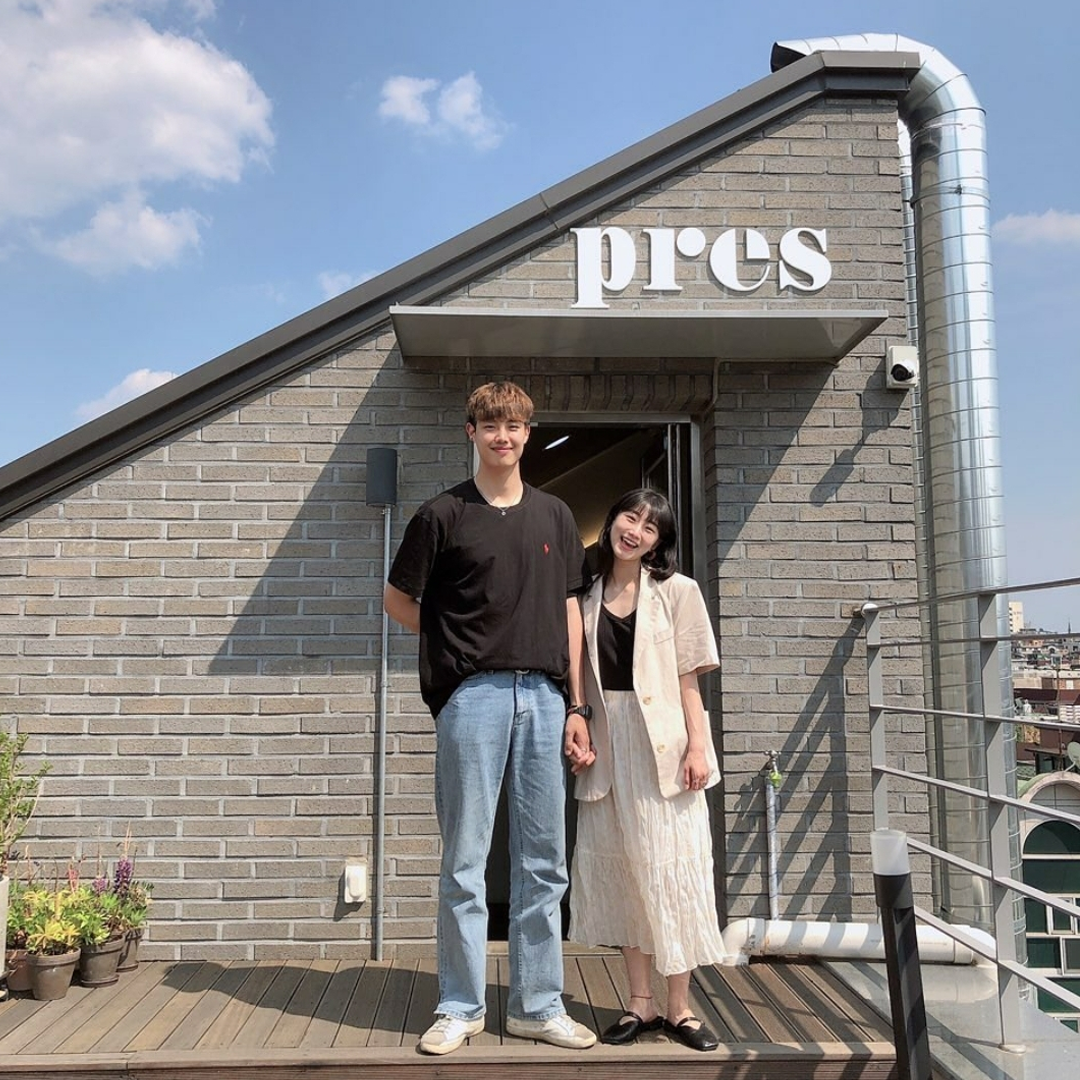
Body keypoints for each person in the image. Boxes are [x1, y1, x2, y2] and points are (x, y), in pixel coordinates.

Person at [383, 381, 597, 1056]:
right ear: (469, 432)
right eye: (489, 424)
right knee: (465, 861)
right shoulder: (441, 515)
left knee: (543, 863)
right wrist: (450, 652)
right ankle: (460, 1005)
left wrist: (577, 704)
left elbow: (570, 613)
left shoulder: (556, 516)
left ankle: (538, 1005)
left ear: (529, 434)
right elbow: (395, 599)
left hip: (543, 696)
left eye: (514, 425)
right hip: (471, 698)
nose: (502, 435)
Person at [569, 488, 729, 1052]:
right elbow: (581, 681)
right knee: (627, 875)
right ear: (611, 520)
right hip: (610, 745)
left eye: (650, 528)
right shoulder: (584, 596)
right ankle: (639, 1004)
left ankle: (680, 1008)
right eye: (629, 517)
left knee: (672, 870)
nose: (634, 531)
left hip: (664, 742)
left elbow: (690, 680)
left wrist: (698, 747)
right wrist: (580, 722)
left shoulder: (678, 592)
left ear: (659, 544)